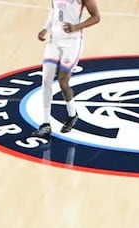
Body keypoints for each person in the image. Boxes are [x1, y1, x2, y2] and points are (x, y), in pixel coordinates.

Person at [33, 0, 98, 138]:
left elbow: (96, 17)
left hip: (72, 42)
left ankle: (72, 114)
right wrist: (46, 28)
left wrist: (76, 27)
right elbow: (54, 10)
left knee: (63, 82)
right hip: (54, 41)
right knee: (46, 80)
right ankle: (45, 124)